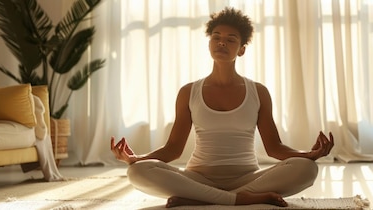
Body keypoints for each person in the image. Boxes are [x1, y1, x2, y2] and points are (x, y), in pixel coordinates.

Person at [110, 7, 335, 208]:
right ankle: (239, 199)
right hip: (197, 178)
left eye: (230, 39)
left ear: (241, 49)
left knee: (307, 169)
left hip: (248, 177)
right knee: (138, 172)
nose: (221, 43)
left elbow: (274, 147)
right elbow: (173, 149)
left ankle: (201, 200)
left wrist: (308, 154)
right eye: (216, 37)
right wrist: (137, 159)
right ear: (209, 43)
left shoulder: (259, 91)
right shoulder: (189, 91)